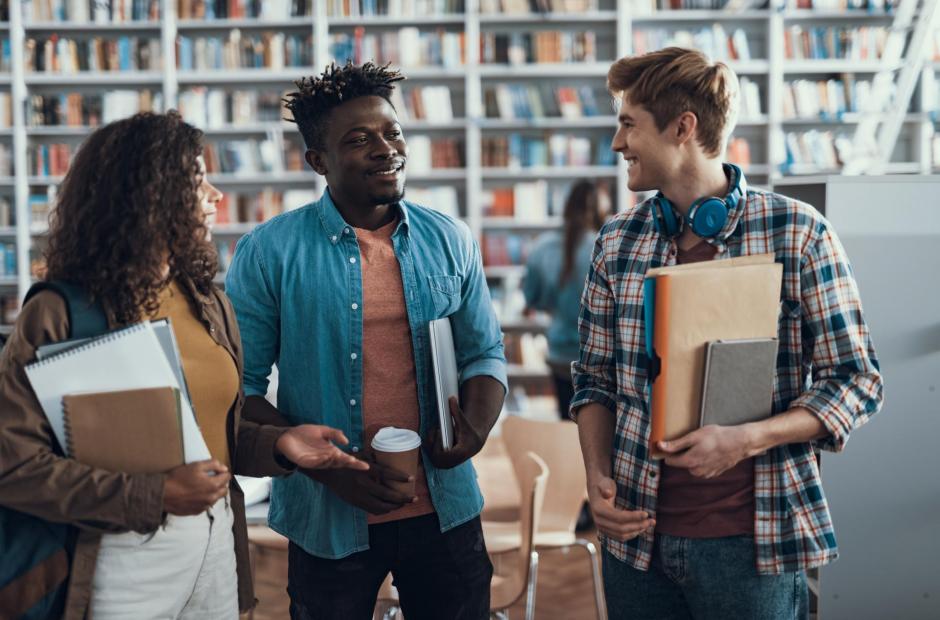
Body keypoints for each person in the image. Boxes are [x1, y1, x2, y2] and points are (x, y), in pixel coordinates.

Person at [0, 112, 367, 620]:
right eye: (197, 181)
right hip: (119, 551)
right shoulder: (60, 311)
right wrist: (157, 493)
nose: (216, 194)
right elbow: (14, 467)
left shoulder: (208, 303)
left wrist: (279, 444)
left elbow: (207, 433)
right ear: (147, 195)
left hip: (215, 537)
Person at [571, 48, 884, 619]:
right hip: (634, 545)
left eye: (627, 123)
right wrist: (596, 476)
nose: (617, 143)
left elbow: (858, 381)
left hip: (753, 546)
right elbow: (593, 381)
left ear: (682, 127)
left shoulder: (799, 233)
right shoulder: (616, 241)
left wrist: (748, 439)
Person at [224, 61, 507, 620]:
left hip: (444, 507)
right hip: (329, 519)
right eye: (359, 140)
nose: (386, 148)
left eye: (392, 132)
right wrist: (329, 469)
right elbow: (242, 389)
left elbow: (484, 354)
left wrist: (472, 433)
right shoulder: (268, 252)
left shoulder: (450, 239)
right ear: (318, 161)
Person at [523, 180, 609, 419]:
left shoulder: (541, 248)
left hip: (560, 352)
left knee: (566, 419)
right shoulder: (606, 245)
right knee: (597, 423)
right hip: (598, 355)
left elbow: (534, 299)